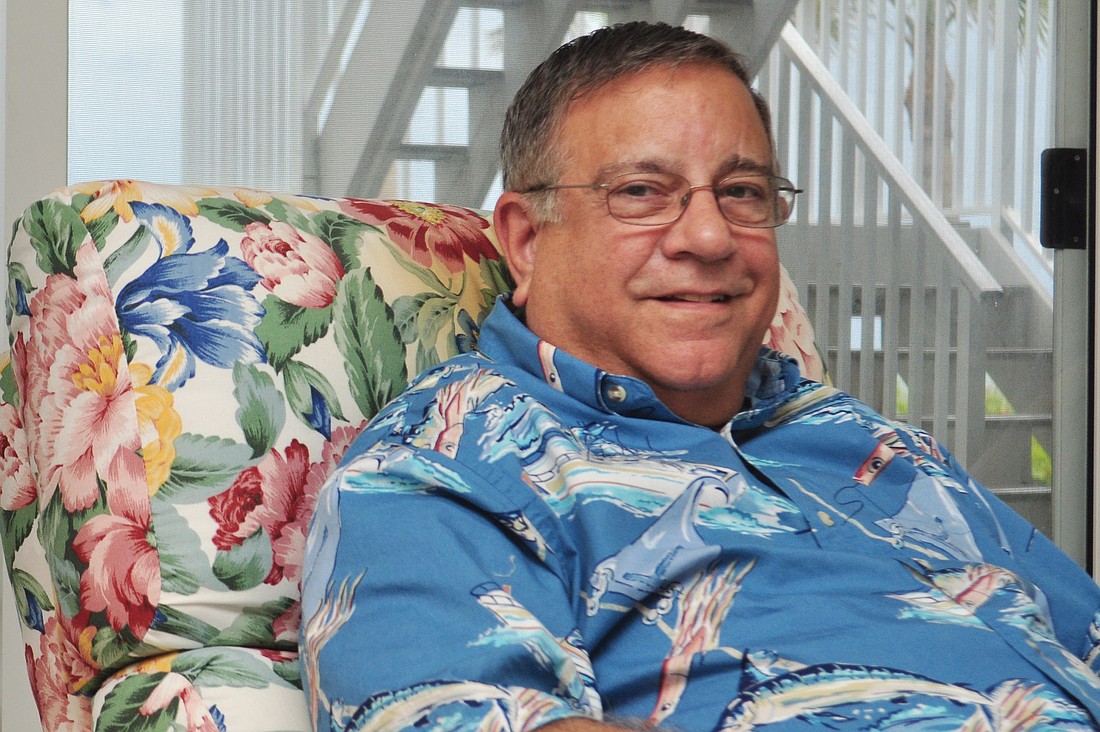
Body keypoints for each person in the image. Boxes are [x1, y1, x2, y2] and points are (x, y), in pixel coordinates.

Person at [300, 21, 1100, 731]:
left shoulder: (875, 443)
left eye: (742, 192)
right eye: (642, 192)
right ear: (527, 239)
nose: (711, 236)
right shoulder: (445, 462)